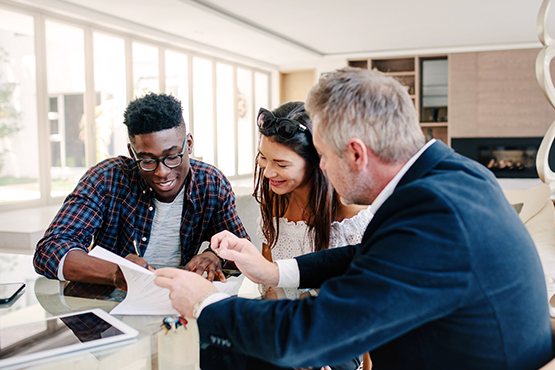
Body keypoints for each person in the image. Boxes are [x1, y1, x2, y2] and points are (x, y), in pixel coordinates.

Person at [154, 68, 554, 370]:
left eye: (324, 156)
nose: (322, 168)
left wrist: (205, 304)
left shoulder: (436, 217)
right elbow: (371, 255)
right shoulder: (451, 175)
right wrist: (274, 272)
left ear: (357, 154)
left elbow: (310, 333)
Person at [34, 92, 248, 290]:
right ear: (132, 152)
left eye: (172, 156)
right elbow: (50, 250)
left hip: (179, 302)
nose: (162, 172)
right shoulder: (106, 179)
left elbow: (242, 249)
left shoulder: (211, 183)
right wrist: (114, 273)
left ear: (189, 145)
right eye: (147, 160)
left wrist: (215, 255)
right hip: (111, 306)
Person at [254, 101, 372, 299]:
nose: (268, 172)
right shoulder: (276, 202)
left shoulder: (350, 212)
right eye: (263, 157)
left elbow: (363, 287)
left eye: (281, 164)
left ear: (318, 163)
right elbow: (270, 283)